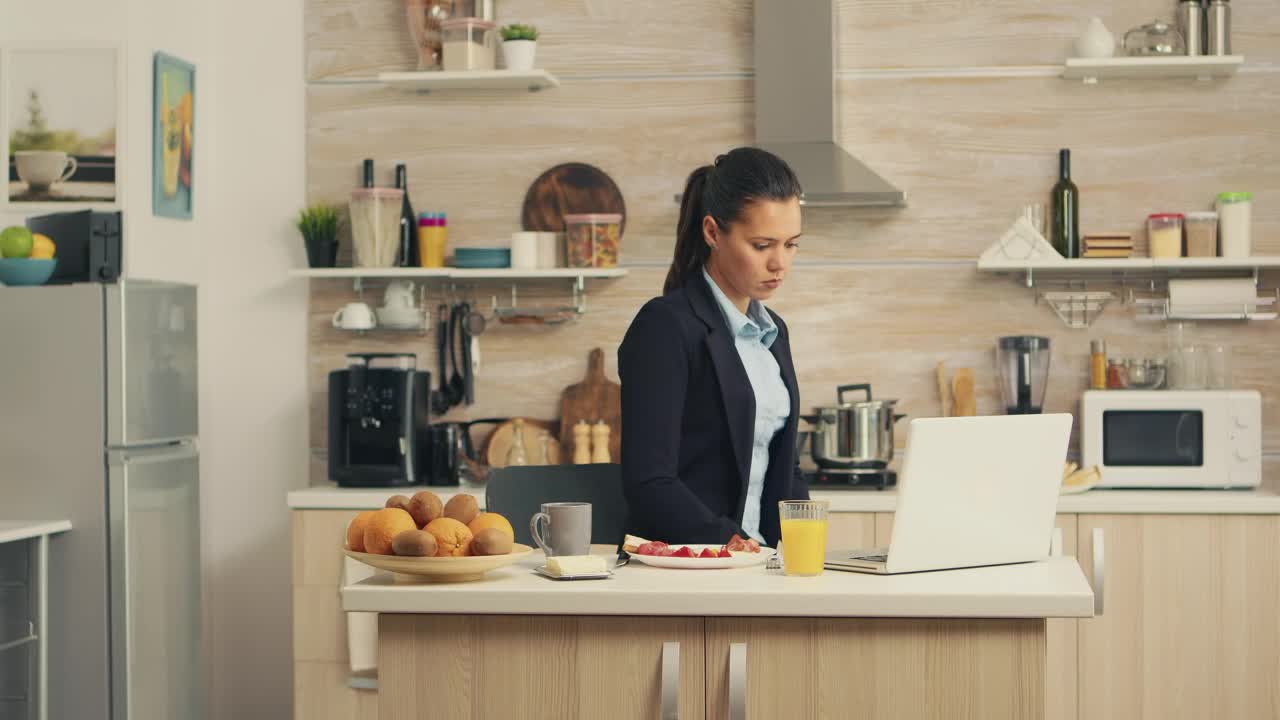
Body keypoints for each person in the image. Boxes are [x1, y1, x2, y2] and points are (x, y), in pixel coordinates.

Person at [618, 147, 808, 548]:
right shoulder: (665, 327)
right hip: (690, 565)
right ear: (712, 232)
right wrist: (732, 543)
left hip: (765, 566)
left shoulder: (775, 334)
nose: (780, 263)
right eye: (761, 245)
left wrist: (802, 545)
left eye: (791, 244)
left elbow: (785, 468)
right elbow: (650, 482)